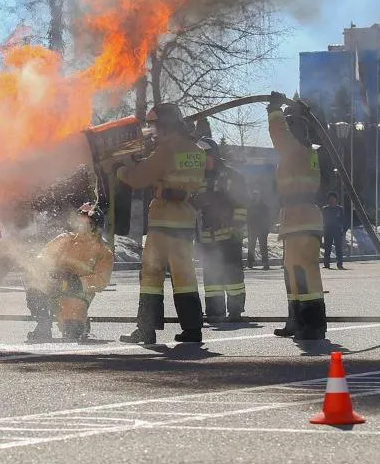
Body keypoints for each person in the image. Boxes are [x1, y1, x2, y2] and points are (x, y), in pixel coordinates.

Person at [116, 103, 214, 344]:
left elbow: (138, 179)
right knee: (184, 276)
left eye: (154, 125)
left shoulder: (166, 150)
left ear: (165, 126)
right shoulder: (196, 151)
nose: (152, 130)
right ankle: (192, 330)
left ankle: (146, 330)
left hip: (163, 221)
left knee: (151, 274)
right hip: (184, 221)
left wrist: (121, 170)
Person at [266, 93, 327, 340]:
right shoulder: (302, 153)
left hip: (302, 220)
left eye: (292, 126)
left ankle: (312, 324)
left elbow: (279, 134)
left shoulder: (297, 152)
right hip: (296, 220)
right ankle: (296, 321)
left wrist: (273, 111)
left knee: (305, 271)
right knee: (293, 271)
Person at [25, 203, 115, 341]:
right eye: (80, 222)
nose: (83, 226)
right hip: (54, 286)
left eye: (88, 223)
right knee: (34, 283)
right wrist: (48, 271)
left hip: (77, 293)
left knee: (72, 332)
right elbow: (42, 258)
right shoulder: (64, 239)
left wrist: (78, 282)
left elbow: (102, 280)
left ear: (96, 226)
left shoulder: (103, 252)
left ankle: (81, 324)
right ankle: (43, 326)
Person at [196, 142, 249, 323]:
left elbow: (242, 204)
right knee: (211, 274)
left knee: (232, 272)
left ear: (215, 155)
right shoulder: (197, 178)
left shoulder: (232, 176)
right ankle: (214, 310)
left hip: (229, 235)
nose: (204, 161)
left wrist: (235, 224)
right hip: (207, 236)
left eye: (206, 156)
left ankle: (235, 310)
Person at [322, 192, 348, 270]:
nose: (332, 201)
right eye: (330, 199)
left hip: (337, 231)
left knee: (339, 248)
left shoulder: (340, 209)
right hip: (328, 230)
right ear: (328, 200)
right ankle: (326, 264)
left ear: (336, 200)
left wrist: (344, 231)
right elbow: (322, 219)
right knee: (327, 248)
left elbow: (344, 220)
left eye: (333, 199)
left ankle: (339, 264)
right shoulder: (325, 209)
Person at [246, 190, 271, 270]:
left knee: (263, 246)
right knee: (251, 246)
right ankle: (250, 262)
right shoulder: (250, 206)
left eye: (256, 196)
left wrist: (267, 228)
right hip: (253, 228)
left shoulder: (263, 206)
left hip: (261, 229)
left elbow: (267, 218)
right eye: (254, 196)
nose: (255, 197)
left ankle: (265, 263)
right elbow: (248, 217)